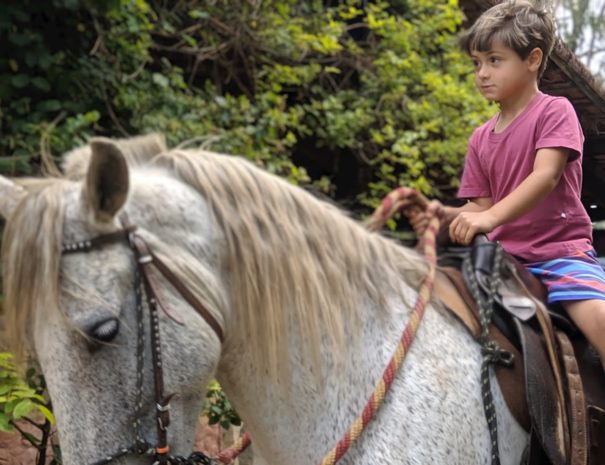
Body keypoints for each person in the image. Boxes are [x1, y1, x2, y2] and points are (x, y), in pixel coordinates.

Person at [408, 0, 605, 371]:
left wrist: (489, 217)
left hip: (559, 255)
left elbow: (545, 177)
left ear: (532, 60)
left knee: (601, 322)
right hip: (501, 262)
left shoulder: (555, 110)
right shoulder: (480, 138)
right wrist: (446, 216)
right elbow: (481, 209)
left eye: (494, 61)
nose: (482, 73)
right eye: (477, 63)